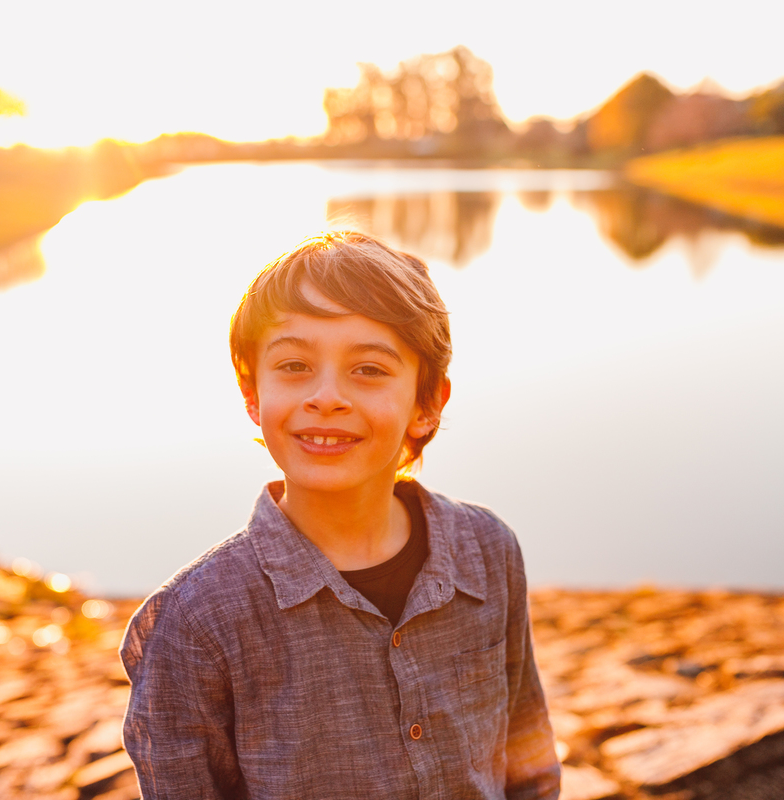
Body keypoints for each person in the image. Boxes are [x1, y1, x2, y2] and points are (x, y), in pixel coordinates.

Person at [120, 231, 560, 799]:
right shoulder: (194, 623)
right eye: (296, 365)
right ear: (252, 393)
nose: (327, 396)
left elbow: (529, 763)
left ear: (427, 405)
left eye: (369, 370)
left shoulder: (488, 549)